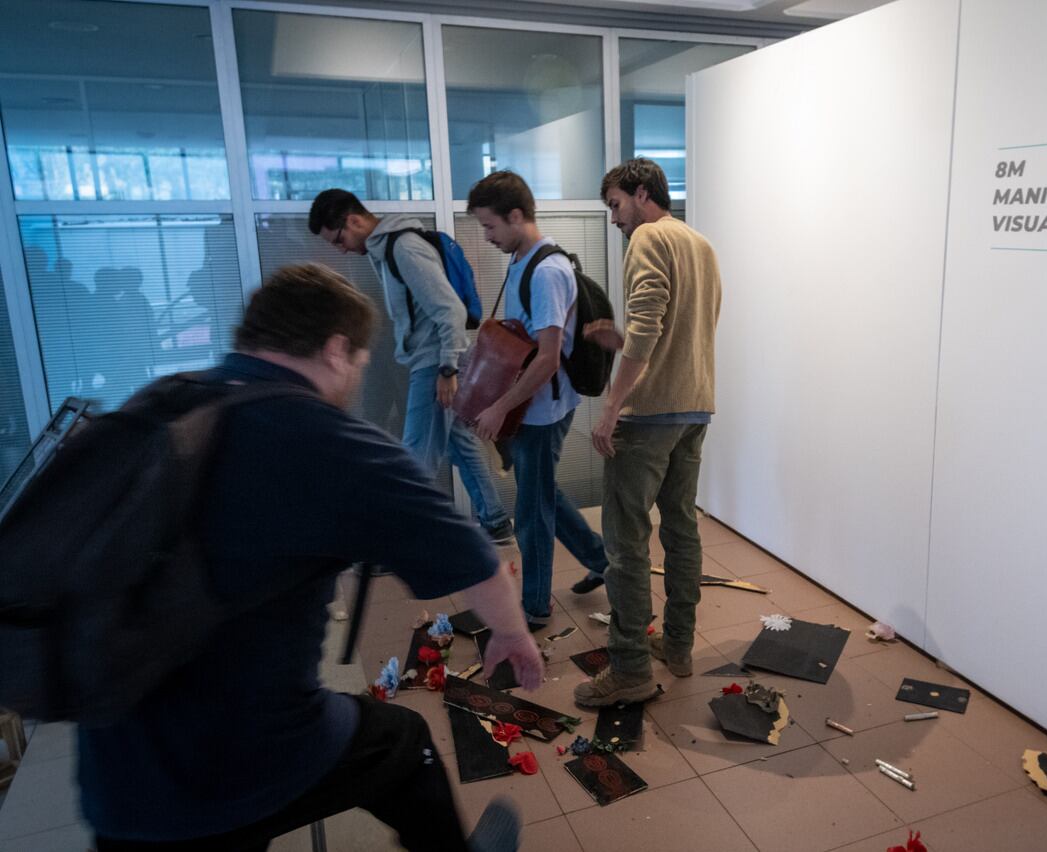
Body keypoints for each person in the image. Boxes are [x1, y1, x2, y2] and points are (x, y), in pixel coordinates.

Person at [80, 264, 542, 851]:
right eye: (358, 364)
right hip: (242, 755)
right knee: (404, 746)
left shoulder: (164, 402)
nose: (352, 379)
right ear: (335, 349)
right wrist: (512, 634)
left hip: (114, 767)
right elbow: (473, 556)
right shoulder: (322, 436)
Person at [573, 159, 723, 707]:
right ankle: (679, 647)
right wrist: (624, 342)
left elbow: (650, 321)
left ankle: (631, 668)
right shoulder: (700, 245)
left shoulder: (647, 238)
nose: (614, 218)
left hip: (649, 416)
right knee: (681, 529)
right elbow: (681, 327)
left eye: (615, 205)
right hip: (693, 409)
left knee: (625, 544)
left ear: (641, 193)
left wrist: (613, 407)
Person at [309, 189, 514, 546]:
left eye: (339, 239)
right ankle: (496, 521)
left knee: (415, 455)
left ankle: (397, 543)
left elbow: (449, 310)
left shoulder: (403, 247)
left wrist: (448, 369)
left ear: (353, 220)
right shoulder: (385, 249)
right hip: (432, 359)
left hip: (435, 362)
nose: (341, 249)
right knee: (459, 442)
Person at [464, 170, 610, 630]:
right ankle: (601, 559)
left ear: (516, 215)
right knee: (541, 494)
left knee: (531, 511)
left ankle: (535, 608)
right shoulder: (521, 260)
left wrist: (500, 406)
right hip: (532, 405)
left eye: (490, 227)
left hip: (541, 410)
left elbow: (547, 359)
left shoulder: (547, 271)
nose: (486, 237)